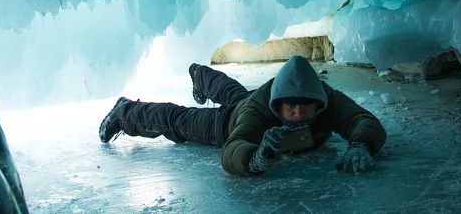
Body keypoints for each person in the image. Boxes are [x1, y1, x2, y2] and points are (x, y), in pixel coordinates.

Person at [98, 55, 386, 176]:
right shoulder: (259, 112)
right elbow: (231, 149)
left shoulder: (327, 98)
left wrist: (361, 143)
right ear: (277, 104)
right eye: (290, 107)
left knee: (232, 91)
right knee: (179, 120)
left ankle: (201, 74)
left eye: (305, 106)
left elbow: (364, 121)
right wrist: (255, 156)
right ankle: (126, 111)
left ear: (318, 102)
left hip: (249, 99)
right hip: (229, 121)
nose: (297, 113)